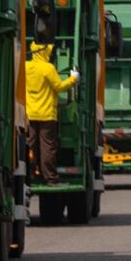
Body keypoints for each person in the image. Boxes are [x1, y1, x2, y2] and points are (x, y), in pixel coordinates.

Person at [25, 41, 79, 184]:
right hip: (47, 114)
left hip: (30, 114)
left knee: (30, 146)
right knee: (47, 148)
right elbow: (59, 86)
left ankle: (29, 176)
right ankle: (50, 178)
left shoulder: (25, 66)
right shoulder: (47, 68)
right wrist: (73, 78)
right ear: (43, 51)